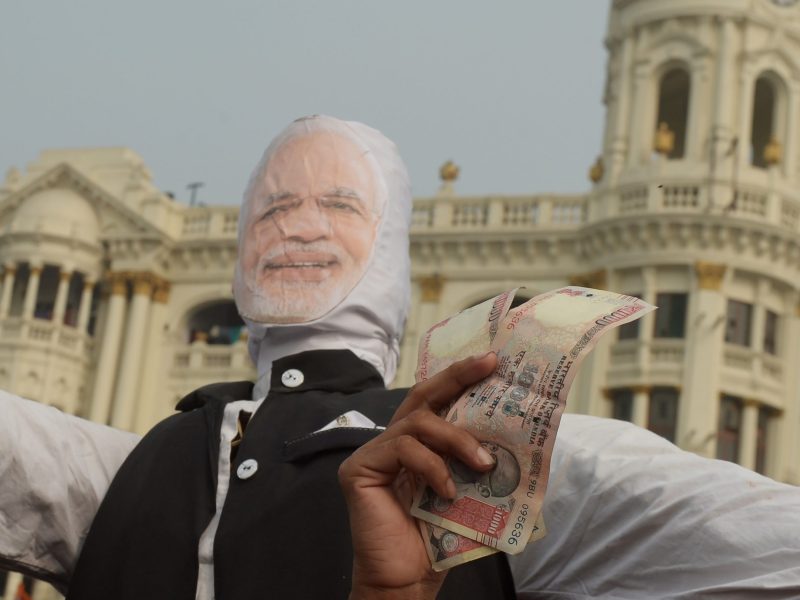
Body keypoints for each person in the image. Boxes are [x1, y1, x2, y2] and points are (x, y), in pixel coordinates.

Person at [2, 115, 800, 600]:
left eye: (339, 204)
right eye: (274, 206)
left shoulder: (475, 470)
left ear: (390, 250)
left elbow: (757, 539)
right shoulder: (127, 469)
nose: (299, 226)